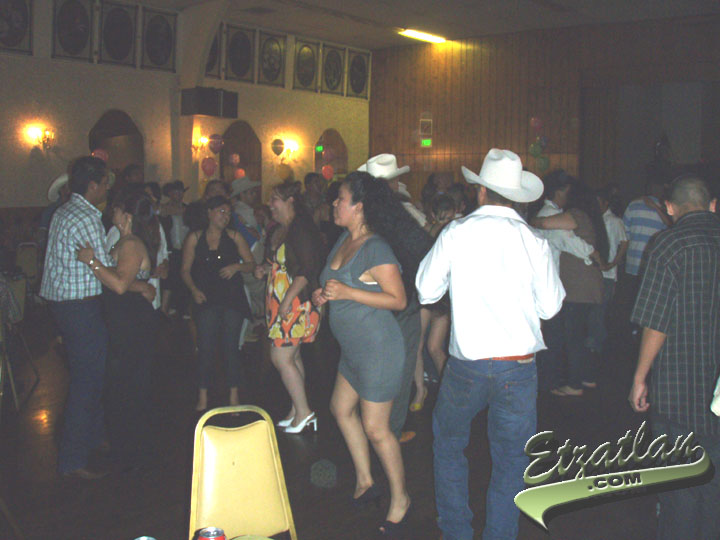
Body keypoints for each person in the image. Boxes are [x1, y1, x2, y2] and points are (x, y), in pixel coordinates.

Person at [416, 149, 564, 540]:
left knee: (449, 444)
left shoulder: (456, 232)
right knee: (511, 460)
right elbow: (551, 307)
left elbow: (426, 290)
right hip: (518, 365)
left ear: (481, 192)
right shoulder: (534, 241)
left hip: (467, 365)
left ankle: (457, 532)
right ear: (516, 197)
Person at [314, 171, 425, 536]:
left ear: (359, 207)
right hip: (354, 351)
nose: (334, 203)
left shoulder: (376, 247)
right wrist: (324, 295)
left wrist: (347, 293)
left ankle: (401, 499)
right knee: (340, 409)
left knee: (376, 429)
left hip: (377, 350)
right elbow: (337, 283)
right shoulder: (345, 238)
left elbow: (398, 299)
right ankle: (365, 481)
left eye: (340, 199)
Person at [40, 156, 153, 479]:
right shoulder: (87, 217)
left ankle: (90, 439)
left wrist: (135, 280)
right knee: (87, 382)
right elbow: (113, 276)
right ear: (93, 185)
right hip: (80, 306)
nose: (107, 189)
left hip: (68, 305)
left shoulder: (65, 211)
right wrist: (141, 284)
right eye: (105, 183)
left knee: (92, 376)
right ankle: (73, 459)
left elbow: (111, 272)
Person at [628, 175, 719, 540]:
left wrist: (640, 377)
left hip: (678, 386)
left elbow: (656, 321)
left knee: (679, 487)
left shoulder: (668, 244)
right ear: (712, 205)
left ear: (669, 208)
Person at [77, 190, 160, 471]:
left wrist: (92, 261)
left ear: (127, 216)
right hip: (126, 319)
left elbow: (120, 285)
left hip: (131, 322)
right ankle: (129, 450)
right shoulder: (124, 241)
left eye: (116, 208)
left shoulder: (132, 244)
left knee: (128, 386)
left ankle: (131, 454)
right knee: (124, 385)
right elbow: (127, 281)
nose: (111, 212)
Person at [254, 181, 325, 433]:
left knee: (280, 356)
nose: (270, 204)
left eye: (274, 199)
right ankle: (297, 409)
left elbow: (307, 269)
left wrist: (286, 301)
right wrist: (265, 269)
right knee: (292, 357)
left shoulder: (300, 228)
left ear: (290, 201)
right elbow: (285, 264)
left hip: (295, 301)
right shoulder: (284, 229)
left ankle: (305, 412)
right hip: (285, 300)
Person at [533, 179, 609, 395]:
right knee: (579, 334)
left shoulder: (572, 214)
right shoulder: (585, 214)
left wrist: (534, 220)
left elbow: (558, 234)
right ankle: (585, 377)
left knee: (572, 335)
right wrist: (594, 254)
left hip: (578, 284)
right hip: (585, 282)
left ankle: (573, 384)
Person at [181, 196, 255, 411]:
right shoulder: (195, 237)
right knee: (205, 346)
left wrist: (236, 267)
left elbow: (251, 264)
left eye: (228, 213)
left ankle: (233, 394)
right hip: (206, 296)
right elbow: (184, 270)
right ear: (209, 212)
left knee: (231, 346)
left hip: (231, 296)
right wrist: (193, 290)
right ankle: (203, 395)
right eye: (221, 211)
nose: (225, 216)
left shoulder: (234, 236)